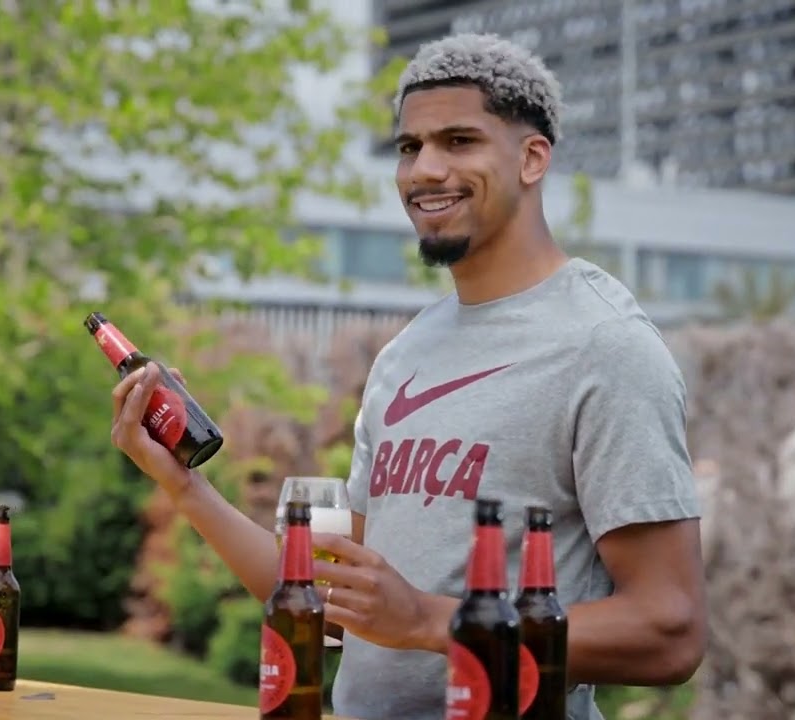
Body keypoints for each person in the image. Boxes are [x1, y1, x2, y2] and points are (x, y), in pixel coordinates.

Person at [110, 31, 707, 720]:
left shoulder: (604, 345)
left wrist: (430, 620)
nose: (424, 169)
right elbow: (337, 606)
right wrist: (182, 483)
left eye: (459, 141)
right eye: (409, 147)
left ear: (532, 158)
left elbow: (670, 630)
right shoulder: (406, 355)